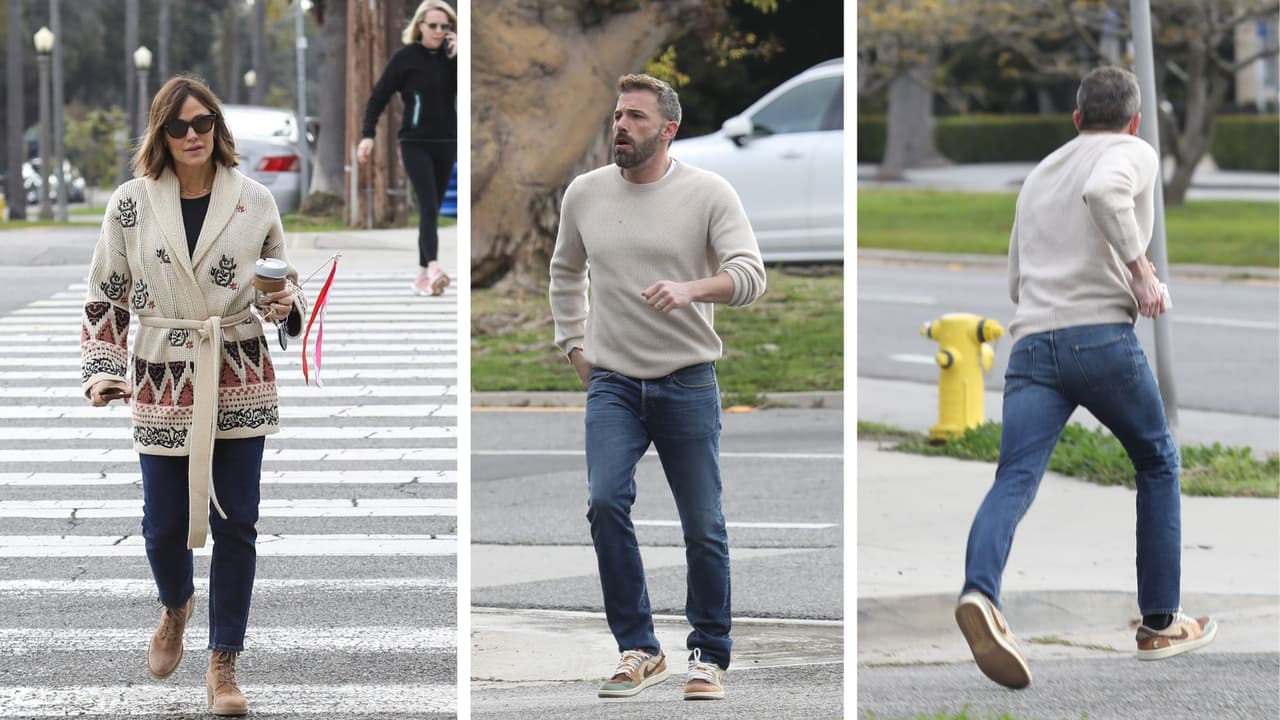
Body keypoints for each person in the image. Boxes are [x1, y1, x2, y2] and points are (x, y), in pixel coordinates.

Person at [955, 65, 1216, 690]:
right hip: (1099, 339)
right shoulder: (1132, 151)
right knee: (1157, 461)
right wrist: (1141, 273)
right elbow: (1104, 193)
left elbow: (1015, 278)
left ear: (1076, 119)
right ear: (1135, 120)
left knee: (1014, 478)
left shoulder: (1042, 172)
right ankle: (1160, 623)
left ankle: (980, 593)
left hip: (1031, 345)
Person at [80, 75, 308, 717]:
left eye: (202, 123)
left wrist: (284, 304)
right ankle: (176, 604)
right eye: (177, 126)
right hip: (161, 372)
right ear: (161, 133)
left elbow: (285, 293)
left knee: (238, 522)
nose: (191, 136)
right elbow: (105, 293)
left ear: (217, 127)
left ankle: (223, 663)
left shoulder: (254, 201)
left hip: (238, 370)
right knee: (163, 526)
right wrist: (103, 370)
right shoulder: (130, 204)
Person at [549, 73, 767, 702]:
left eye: (636, 118)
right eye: (618, 115)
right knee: (605, 503)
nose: (621, 126)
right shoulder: (585, 193)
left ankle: (709, 656)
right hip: (613, 383)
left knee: (703, 524)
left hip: (687, 380)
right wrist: (574, 346)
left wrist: (691, 288)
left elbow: (750, 276)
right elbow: (565, 271)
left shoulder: (708, 192)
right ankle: (639, 649)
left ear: (668, 130)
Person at [357, 0, 458, 296]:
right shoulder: (405, 58)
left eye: (445, 26)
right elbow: (378, 98)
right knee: (428, 205)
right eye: (433, 25)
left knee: (432, 209)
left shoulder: (455, 59)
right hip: (414, 142)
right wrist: (368, 135)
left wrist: (459, 59)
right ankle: (435, 266)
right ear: (420, 26)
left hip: (447, 142)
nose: (439, 31)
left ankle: (422, 276)